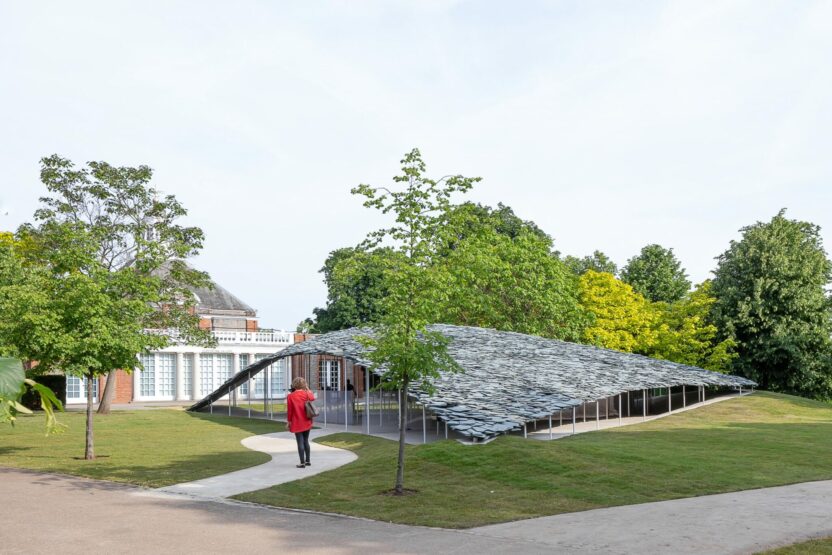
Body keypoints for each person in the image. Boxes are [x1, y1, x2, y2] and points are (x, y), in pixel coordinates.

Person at [286, 377, 315, 468]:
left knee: (300, 442)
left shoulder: (290, 396)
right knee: (306, 440)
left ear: (294, 385)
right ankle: (308, 461)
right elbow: (313, 398)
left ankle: (302, 463)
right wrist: (307, 388)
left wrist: (289, 422)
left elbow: (290, 411)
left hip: (297, 422)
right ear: (304, 384)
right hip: (307, 420)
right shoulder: (307, 394)